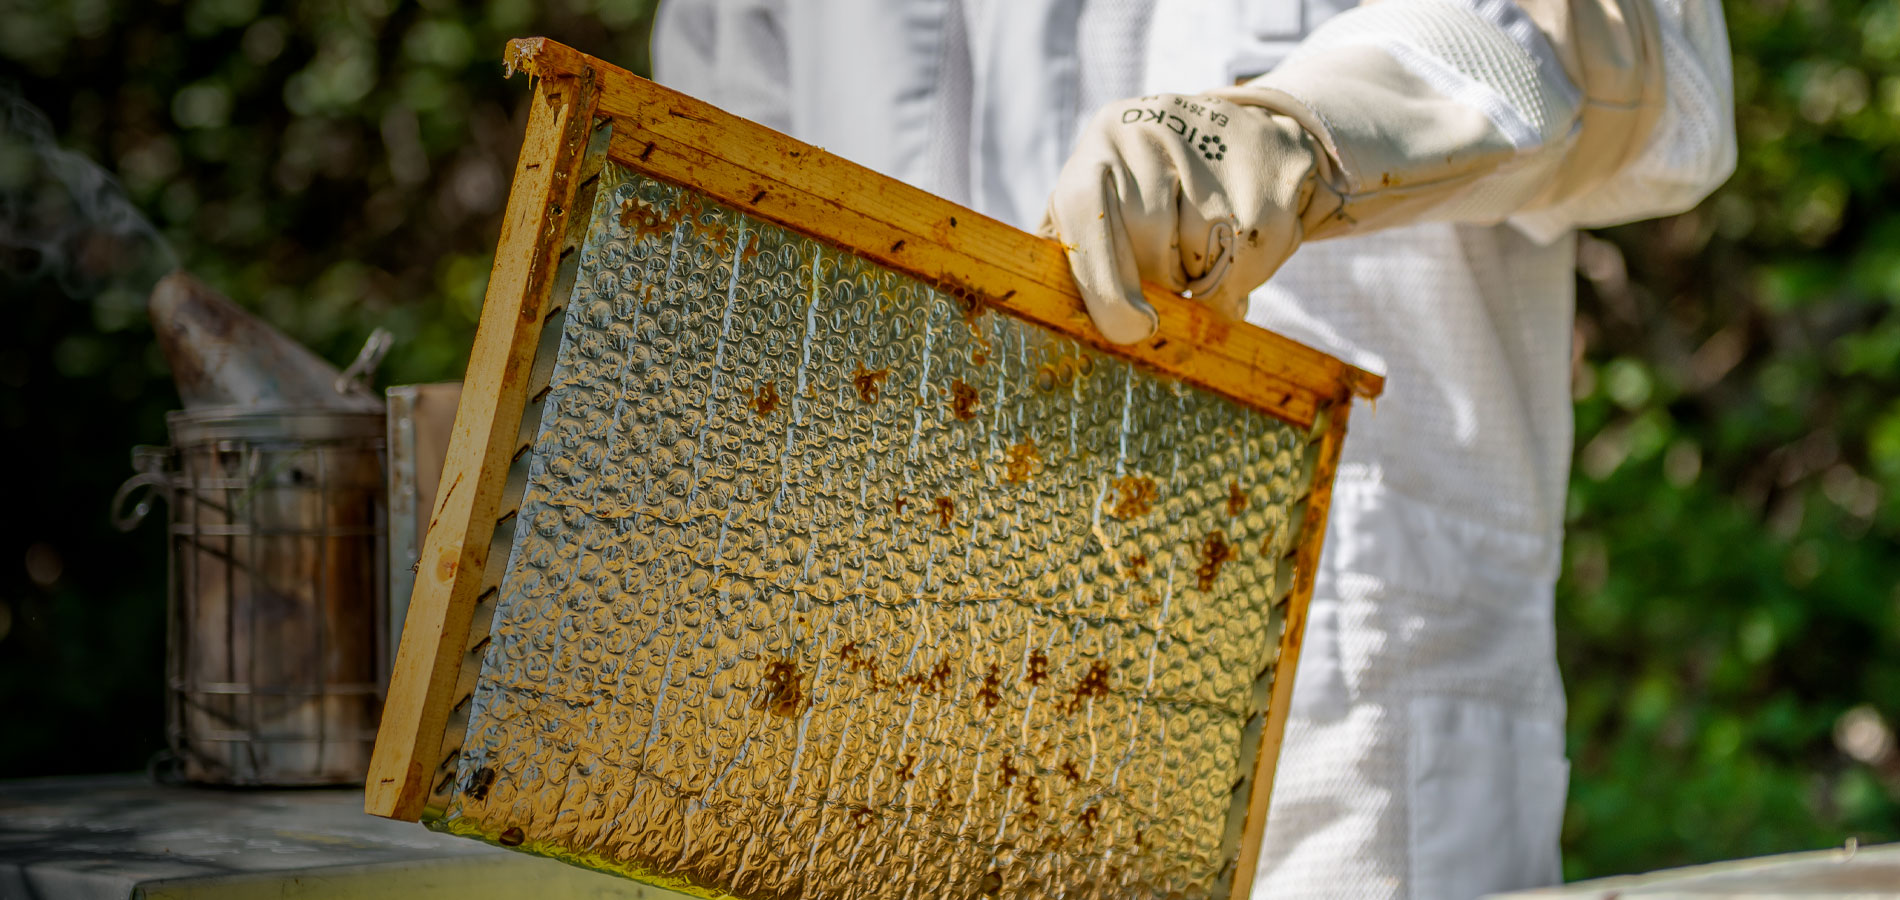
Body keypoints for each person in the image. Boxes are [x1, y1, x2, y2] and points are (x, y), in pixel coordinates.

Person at [651, 1, 1736, 896]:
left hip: (1345, 764)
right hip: (900, 732)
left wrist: (1307, 131)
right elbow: (735, 250)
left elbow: (1646, 59)